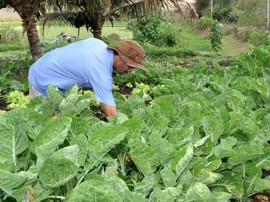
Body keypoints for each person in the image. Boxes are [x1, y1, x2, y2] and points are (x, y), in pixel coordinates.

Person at [28, 38, 145, 117]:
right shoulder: (100, 70)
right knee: (44, 126)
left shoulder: (99, 44)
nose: (130, 71)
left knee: (59, 120)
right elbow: (112, 115)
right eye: (130, 66)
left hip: (45, 65)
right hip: (42, 80)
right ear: (121, 57)